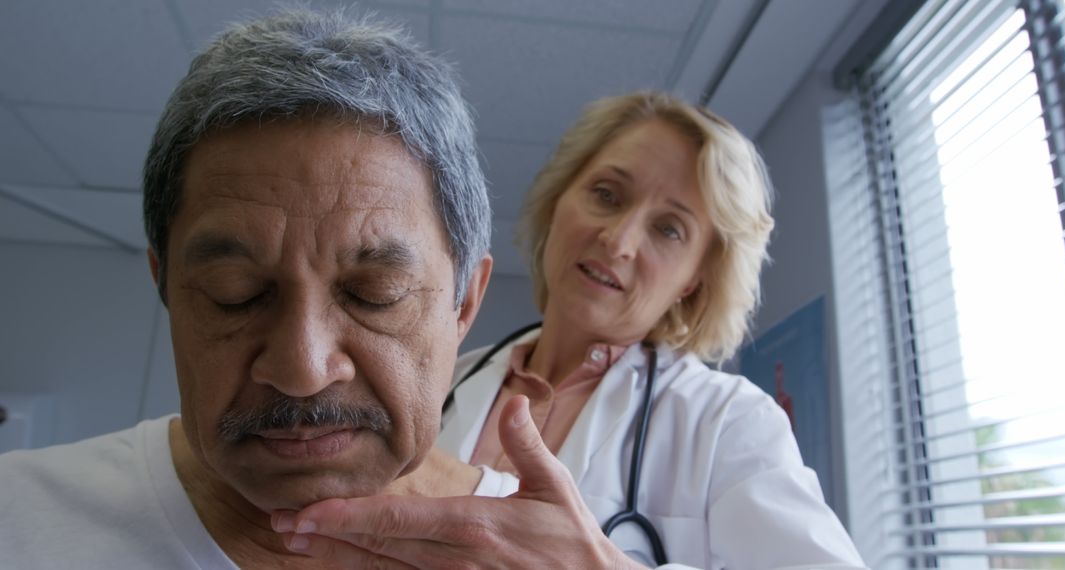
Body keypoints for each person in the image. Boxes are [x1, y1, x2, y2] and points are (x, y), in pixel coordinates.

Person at [277, 92, 869, 569]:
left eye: (669, 230)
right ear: (560, 202)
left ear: (694, 280)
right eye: (606, 195)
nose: (619, 240)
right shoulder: (446, 375)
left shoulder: (727, 421)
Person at [0, 10, 501, 568]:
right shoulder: (15, 520)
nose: (302, 369)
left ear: (465, 303)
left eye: (374, 293)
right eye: (233, 292)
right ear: (166, 287)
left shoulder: (558, 550)